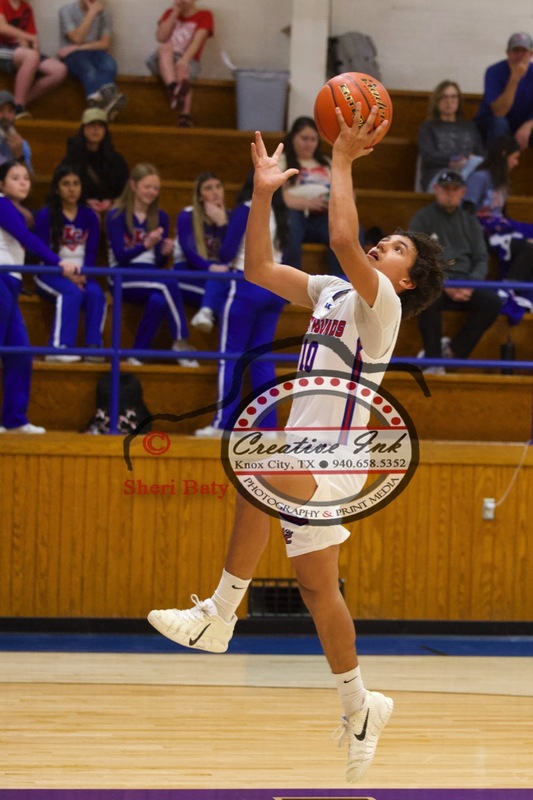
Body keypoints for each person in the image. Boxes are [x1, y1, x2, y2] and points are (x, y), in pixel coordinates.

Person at [148, 107, 444, 783]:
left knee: (262, 458)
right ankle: (359, 703)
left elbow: (342, 236)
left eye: (395, 247)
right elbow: (256, 267)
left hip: (335, 461)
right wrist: (260, 194)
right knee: (317, 589)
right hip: (307, 454)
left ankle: (220, 613)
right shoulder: (334, 291)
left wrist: (340, 160)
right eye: (388, 240)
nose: (380, 246)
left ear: (404, 280)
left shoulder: (383, 306)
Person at [194, 169, 289, 438]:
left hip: (247, 284)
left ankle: (223, 425)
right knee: (262, 359)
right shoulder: (281, 212)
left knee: (230, 357)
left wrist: (224, 223)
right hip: (276, 287)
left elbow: (226, 252)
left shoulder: (248, 208)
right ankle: (269, 428)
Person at [0, 160, 80, 434]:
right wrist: (59, 262)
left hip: (11, 282)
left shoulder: (16, 208)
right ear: (1, 184)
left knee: (20, 353)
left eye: (26, 178)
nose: (23, 182)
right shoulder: (1, 203)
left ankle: (14, 419)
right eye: (15, 178)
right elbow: (23, 235)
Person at [409, 169, 502, 374]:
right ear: (436, 190)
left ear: (463, 192)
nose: (450, 193)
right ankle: (433, 361)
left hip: (467, 282)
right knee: (426, 299)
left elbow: (481, 258)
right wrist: (445, 283)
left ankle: (452, 353)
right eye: (445, 189)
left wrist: (472, 283)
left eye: (455, 189)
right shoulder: (422, 219)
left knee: (493, 303)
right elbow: (418, 259)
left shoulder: (470, 222)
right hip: (436, 282)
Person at [106, 162, 198, 367]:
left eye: (155, 188)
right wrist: (145, 244)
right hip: (122, 275)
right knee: (168, 282)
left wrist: (164, 253)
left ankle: (137, 354)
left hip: (151, 275)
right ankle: (181, 341)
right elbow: (121, 257)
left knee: (158, 300)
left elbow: (159, 262)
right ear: (133, 185)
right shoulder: (116, 215)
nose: (152, 192)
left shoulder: (160, 217)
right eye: (147, 186)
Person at [33, 162, 107, 363]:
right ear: (57, 188)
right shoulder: (46, 214)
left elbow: (91, 251)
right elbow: (41, 250)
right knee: (71, 292)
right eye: (66, 183)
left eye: (76, 183)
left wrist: (83, 273)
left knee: (96, 294)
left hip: (81, 271)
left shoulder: (89, 215)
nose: (72, 188)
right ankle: (58, 347)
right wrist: (64, 271)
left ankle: (94, 347)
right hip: (49, 271)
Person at [464, 135, 533, 299]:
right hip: (482, 231)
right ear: (503, 154)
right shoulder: (479, 177)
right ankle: (507, 288)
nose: (516, 163)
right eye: (515, 157)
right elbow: (467, 212)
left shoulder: (501, 181)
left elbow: (501, 214)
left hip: (499, 228)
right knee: (528, 248)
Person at [278, 116, 343, 277]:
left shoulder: (327, 163)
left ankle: (346, 285)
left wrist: (333, 203)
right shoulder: (283, 161)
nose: (309, 143)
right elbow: (279, 197)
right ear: (293, 138)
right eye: (304, 138)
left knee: (349, 229)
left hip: (324, 216)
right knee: (290, 224)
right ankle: (290, 286)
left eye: (313, 139)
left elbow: (348, 194)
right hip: (295, 214)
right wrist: (308, 203)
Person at [173, 170, 231, 333]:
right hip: (188, 273)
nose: (215, 192)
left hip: (217, 277)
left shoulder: (230, 217)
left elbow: (233, 253)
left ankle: (206, 313)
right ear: (199, 196)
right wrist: (210, 268)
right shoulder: (187, 216)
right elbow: (189, 252)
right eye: (208, 188)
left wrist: (223, 225)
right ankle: (206, 311)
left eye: (218, 187)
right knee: (225, 301)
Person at [148, 0, 214, 127]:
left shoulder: (205, 15)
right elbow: (160, 37)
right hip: (163, 61)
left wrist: (184, 60)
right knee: (164, 47)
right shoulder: (169, 13)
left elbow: (197, 41)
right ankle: (174, 89)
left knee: (183, 71)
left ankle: (184, 116)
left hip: (188, 60)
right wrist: (174, 14)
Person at [57, 0, 126, 121]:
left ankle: (100, 103)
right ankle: (108, 99)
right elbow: (77, 38)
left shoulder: (106, 13)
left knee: (110, 64)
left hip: (94, 52)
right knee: (88, 69)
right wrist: (91, 13)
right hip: (74, 57)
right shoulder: (66, 11)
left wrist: (77, 47)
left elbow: (105, 43)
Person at [0, 0, 67, 119]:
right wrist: (26, 37)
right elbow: (2, 27)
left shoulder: (26, 8)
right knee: (30, 56)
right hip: (2, 48)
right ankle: (18, 108)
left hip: (20, 51)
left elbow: (35, 43)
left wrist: (29, 45)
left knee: (59, 70)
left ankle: (15, 104)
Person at [417, 80, 484, 192]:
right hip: (440, 174)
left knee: (479, 169)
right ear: (437, 101)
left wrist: (466, 161)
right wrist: (455, 160)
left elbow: (481, 155)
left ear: (459, 101)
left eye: (453, 97)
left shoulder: (470, 127)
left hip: (468, 171)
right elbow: (428, 157)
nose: (449, 101)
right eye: (444, 97)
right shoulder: (428, 128)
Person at [62, 107, 129, 215]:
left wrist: (111, 202)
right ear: (83, 128)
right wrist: (85, 201)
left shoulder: (116, 160)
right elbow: (62, 187)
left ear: (105, 130)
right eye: (91, 125)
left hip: (111, 209)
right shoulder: (71, 159)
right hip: (79, 207)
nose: (96, 129)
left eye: (100, 126)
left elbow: (125, 189)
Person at [474, 32, 533, 149]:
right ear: (508, 53)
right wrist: (514, 79)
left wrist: (529, 124)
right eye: (516, 51)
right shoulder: (493, 72)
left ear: (530, 54)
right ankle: (494, 167)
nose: (520, 55)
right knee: (500, 123)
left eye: (524, 51)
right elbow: (499, 112)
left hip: (523, 122)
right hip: (491, 121)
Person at [0, 89, 32, 169]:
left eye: (10, 111)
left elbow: (30, 179)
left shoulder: (22, 144)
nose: (6, 116)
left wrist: (19, 156)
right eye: (0, 110)